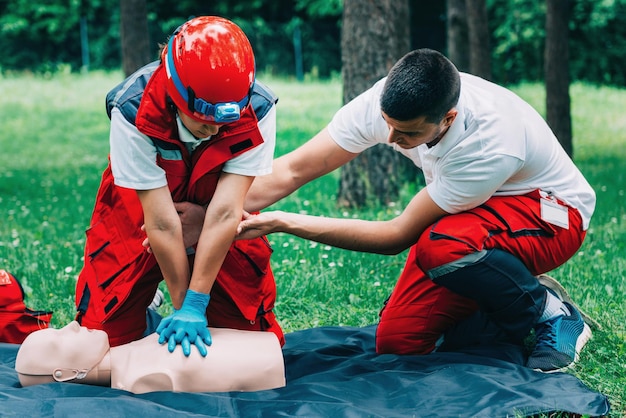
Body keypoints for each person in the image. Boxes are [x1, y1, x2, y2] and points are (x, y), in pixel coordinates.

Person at [234, 48, 597, 372]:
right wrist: (217, 210)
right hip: (480, 214)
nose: (391, 140)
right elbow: (295, 168)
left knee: (442, 247)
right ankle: (501, 288)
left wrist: (284, 221)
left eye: (406, 133)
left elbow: (397, 235)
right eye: (388, 125)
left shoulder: (487, 145)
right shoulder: (387, 101)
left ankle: (550, 312)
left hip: (554, 214)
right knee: (398, 342)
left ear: (448, 119)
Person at [74, 16, 283, 358]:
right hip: (139, 218)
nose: (214, 131)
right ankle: (150, 305)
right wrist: (180, 304)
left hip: (215, 216)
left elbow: (227, 210)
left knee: (248, 342)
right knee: (100, 347)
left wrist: (196, 305)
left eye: (224, 122)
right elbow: (160, 223)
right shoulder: (132, 109)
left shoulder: (258, 108)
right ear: (175, 93)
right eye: (204, 119)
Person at [15, 321, 286, 394]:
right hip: (267, 366)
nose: (71, 326)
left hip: (265, 353)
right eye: (59, 339)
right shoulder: (141, 377)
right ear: (65, 373)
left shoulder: (133, 357)